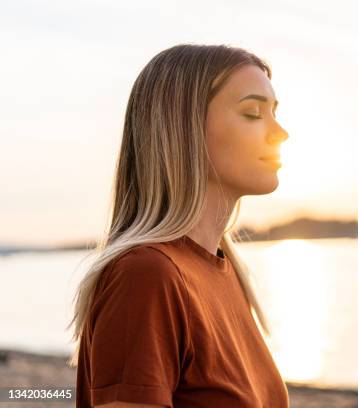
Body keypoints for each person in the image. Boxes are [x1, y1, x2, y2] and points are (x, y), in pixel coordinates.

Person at [67, 44, 290, 408]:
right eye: (253, 113)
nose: (280, 133)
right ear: (182, 128)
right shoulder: (146, 275)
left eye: (274, 113)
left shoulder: (225, 271)